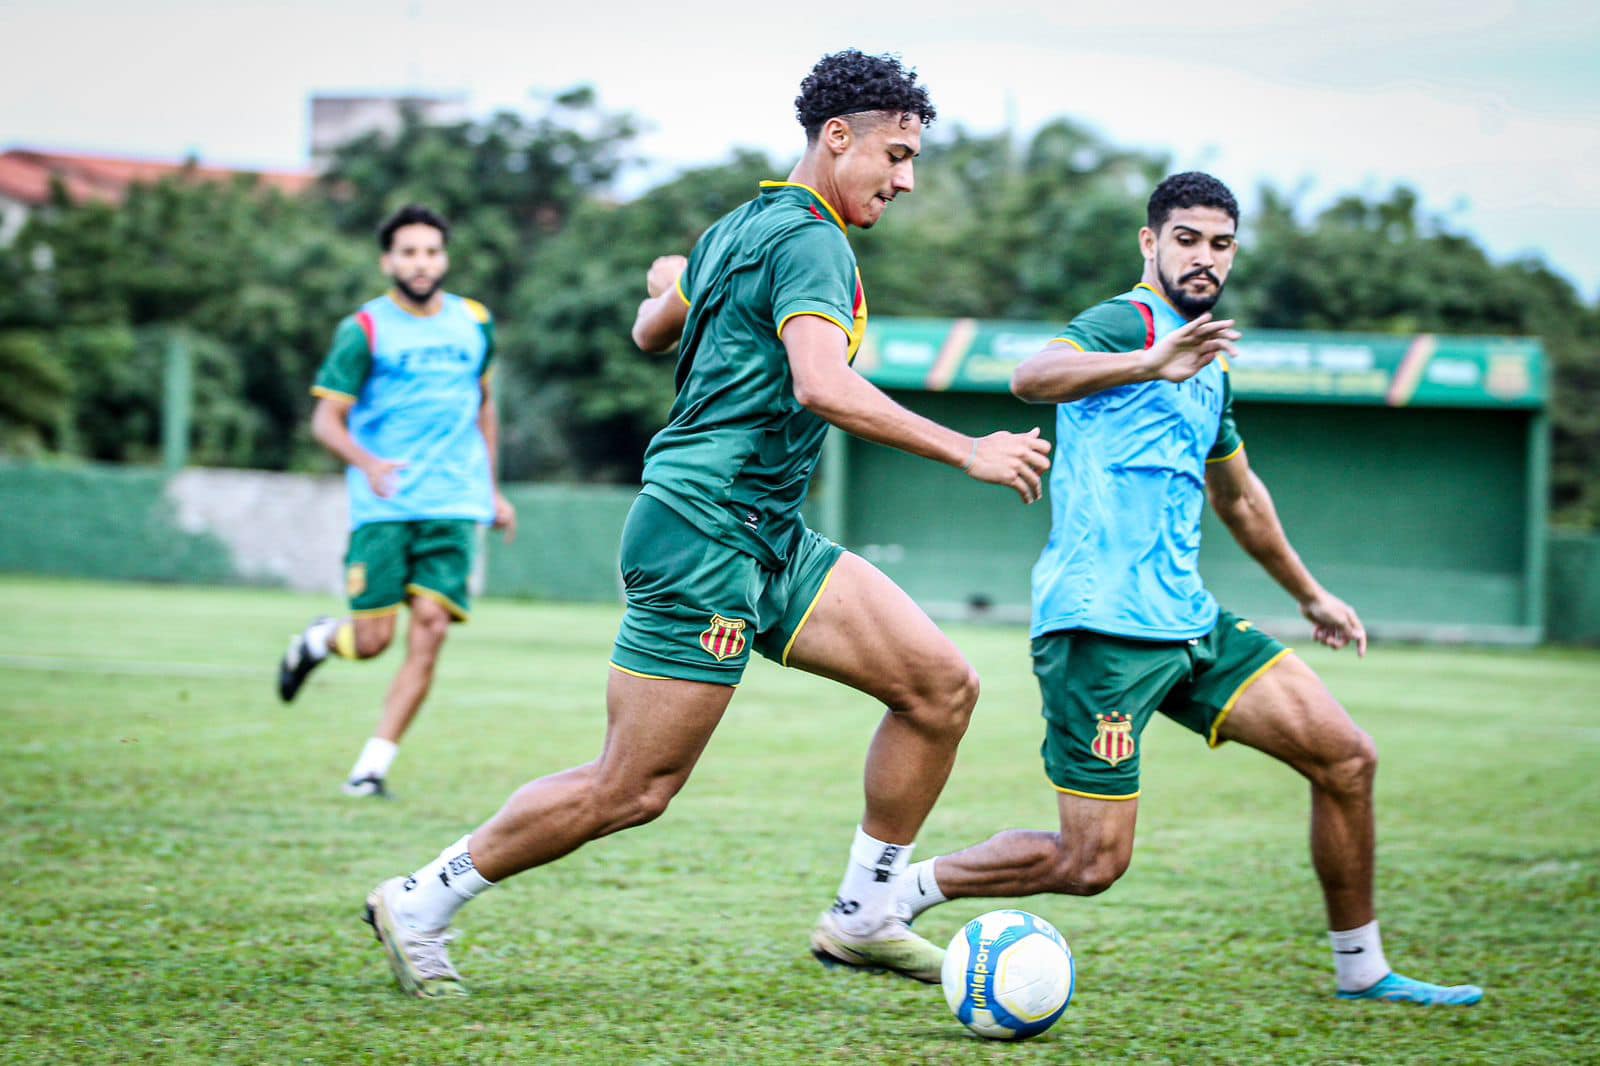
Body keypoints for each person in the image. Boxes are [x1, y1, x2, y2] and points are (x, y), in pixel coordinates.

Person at [360, 50, 1052, 998]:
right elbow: (820, 382)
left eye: (913, 159)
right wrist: (967, 449)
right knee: (632, 788)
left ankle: (866, 913)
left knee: (939, 688)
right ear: (835, 136)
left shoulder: (739, 227)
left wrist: (671, 284)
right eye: (895, 154)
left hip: (767, 531)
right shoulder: (812, 242)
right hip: (703, 531)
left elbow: (652, 331)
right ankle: (419, 900)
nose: (906, 179)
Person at [888, 172, 1483, 1007]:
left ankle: (1363, 971)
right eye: (1188, 239)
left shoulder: (1210, 364)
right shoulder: (1127, 322)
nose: (1205, 258)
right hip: (1100, 626)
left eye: (1221, 244)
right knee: (1090, 864)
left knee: (1345, 758)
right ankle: (896, 896)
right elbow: (1031, 375)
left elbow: (1239, 495)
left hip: (1190, 622)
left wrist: (1309, 594)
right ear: (1151, 243)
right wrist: (1149, 360)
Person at [276, 204, 516, 798]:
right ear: (389, 261)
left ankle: (370, 769)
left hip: (455, 501)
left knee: (431, 628)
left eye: (431, 251)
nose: (421, 262)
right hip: (385, 507)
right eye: (408, 252)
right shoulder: (364, 329)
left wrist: (491, 489)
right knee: (372, 641)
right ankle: (316, 641)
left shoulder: (473, 321)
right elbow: (326, 421)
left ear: (445, 258)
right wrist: (370, 463)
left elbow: (483, 407)